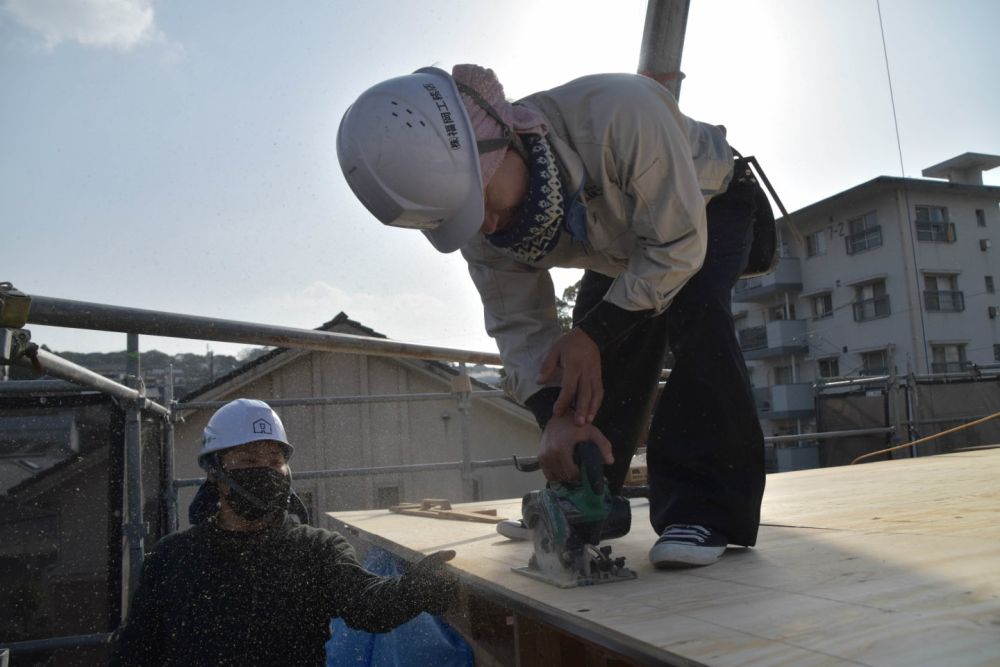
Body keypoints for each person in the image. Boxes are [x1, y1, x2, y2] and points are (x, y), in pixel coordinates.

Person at [337, 65, 767, 568]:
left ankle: (706, 511)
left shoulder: (621, 113)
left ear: (503, 143)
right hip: (622, 244)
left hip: (708, 204)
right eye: (466, 217)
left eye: (482, 205)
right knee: (588, 362)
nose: (488, 226)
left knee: (698, 315)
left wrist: (595, 330)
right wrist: (553, 419)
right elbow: (520, 326)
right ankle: (586, 499)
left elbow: (675, 248)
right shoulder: (480, 226)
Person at [108, 398, 458, 666]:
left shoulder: (315, 549)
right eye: (248, 460)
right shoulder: (173, 557)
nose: (266, 470)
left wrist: (416, 588)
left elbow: (367, 604)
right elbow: (137, 652)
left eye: (275, 461)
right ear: (215, 472)